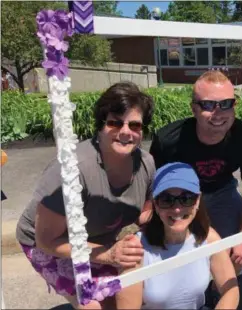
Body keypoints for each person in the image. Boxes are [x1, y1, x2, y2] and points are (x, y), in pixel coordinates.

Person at [15, 82, 156, 309]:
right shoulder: (73, 170)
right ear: (100, 126)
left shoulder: (146, 164)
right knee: (92, 304)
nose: (125, 131)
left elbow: (145, 212)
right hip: (48, 243)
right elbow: (46, 240)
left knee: (130, 290)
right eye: (115, 122)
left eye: (135, 125)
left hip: (97, 238)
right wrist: (108, 255)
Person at [149, 70, 242, 275]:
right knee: (175, 255)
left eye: (226, 104)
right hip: (180, 197)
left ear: (234, 106)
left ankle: (219, 296)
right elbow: (154, 188)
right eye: (208, 105)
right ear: (194, 108)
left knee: (235, 255)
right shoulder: (168, 141)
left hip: (222, 191)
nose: (218, 113)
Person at [116, 162, 240, 309]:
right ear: (155, 205)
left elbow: (231, 290)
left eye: (186, 198)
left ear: (198, 201)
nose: (176, 209)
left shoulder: (208, 238)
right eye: (166, 200)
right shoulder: (136, 250)